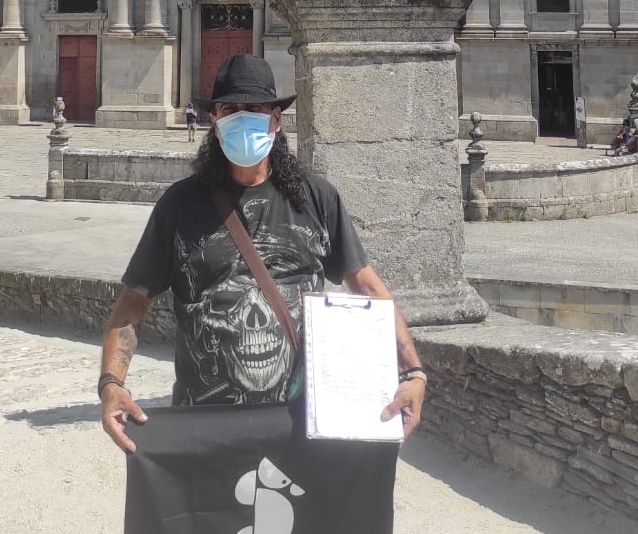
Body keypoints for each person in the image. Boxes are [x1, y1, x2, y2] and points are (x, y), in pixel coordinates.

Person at [99, 55, 427, 452]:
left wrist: (414, 373)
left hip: (302, 420)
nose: (242, 118)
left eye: (254, 109)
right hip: (204, 422)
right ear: (214, 123)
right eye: (230, 109)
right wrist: (111, 384)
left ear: (276, 120)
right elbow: (134, 302)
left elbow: (370, 290)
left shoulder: (316, 199)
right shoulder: (179, 205)